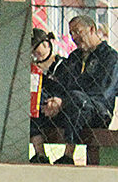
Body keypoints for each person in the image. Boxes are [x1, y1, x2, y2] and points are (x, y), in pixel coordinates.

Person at [37, 14, 118, 165]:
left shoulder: (110, 58)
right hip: (68, 107)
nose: (74, 36)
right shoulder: (74, 57)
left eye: (77, 31)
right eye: (71, 33)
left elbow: (102, 93)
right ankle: (39, 154)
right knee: (39, 97)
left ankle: (68, 155)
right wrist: (55, 100)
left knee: (77, 99)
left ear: (91, 29)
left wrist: (65, 101)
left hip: (97, 112)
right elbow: (63, 84)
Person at [30, 27, 72, 164]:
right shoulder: (30, 70)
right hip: (39, 110)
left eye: (37, 49)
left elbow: (69, 89)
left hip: (60, 108)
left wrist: (59, 102)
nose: (35, 54)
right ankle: (40, 154)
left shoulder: (64, 65)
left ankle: (68, 155)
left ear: (47, 44)